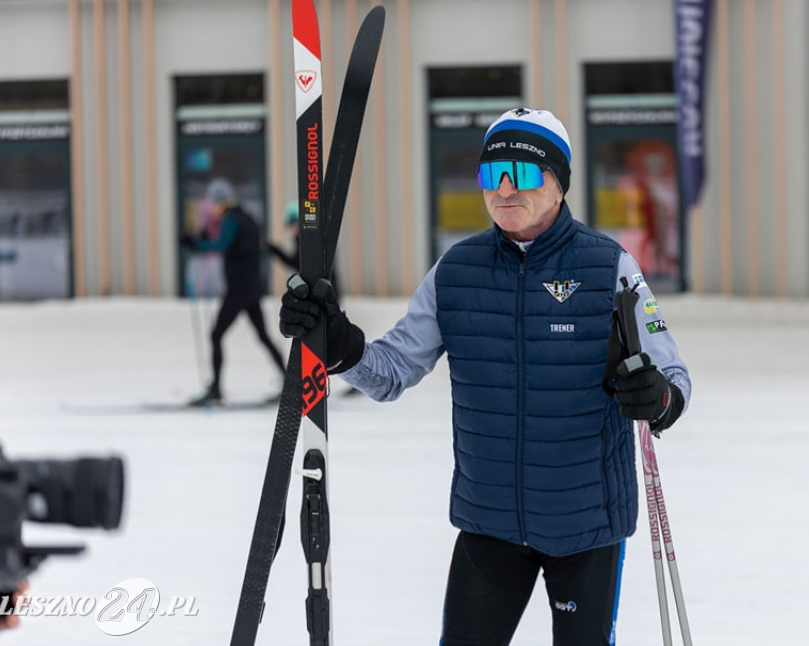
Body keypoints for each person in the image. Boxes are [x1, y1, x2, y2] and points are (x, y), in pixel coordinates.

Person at [278, 108, 691, 645]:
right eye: (489, 175)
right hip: (488, 525)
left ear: (559, 183)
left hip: (585, 526)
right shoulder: (457, 271)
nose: (502, 190)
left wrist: (656, 397)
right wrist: (339, 344)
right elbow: (392, 372)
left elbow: (672, 376)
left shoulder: (607, 266)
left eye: (520, 174)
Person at [180, 178, 286, 406]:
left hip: (239, 288)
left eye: (214, 204)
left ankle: (216, 389)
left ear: (221, 202)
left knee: (216, 335)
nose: (214, 210)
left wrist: (195, 244)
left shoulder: (231, 220)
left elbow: (222, 245)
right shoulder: (248, 218)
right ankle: (290, 382)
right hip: (252, 286)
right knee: (263, 336)